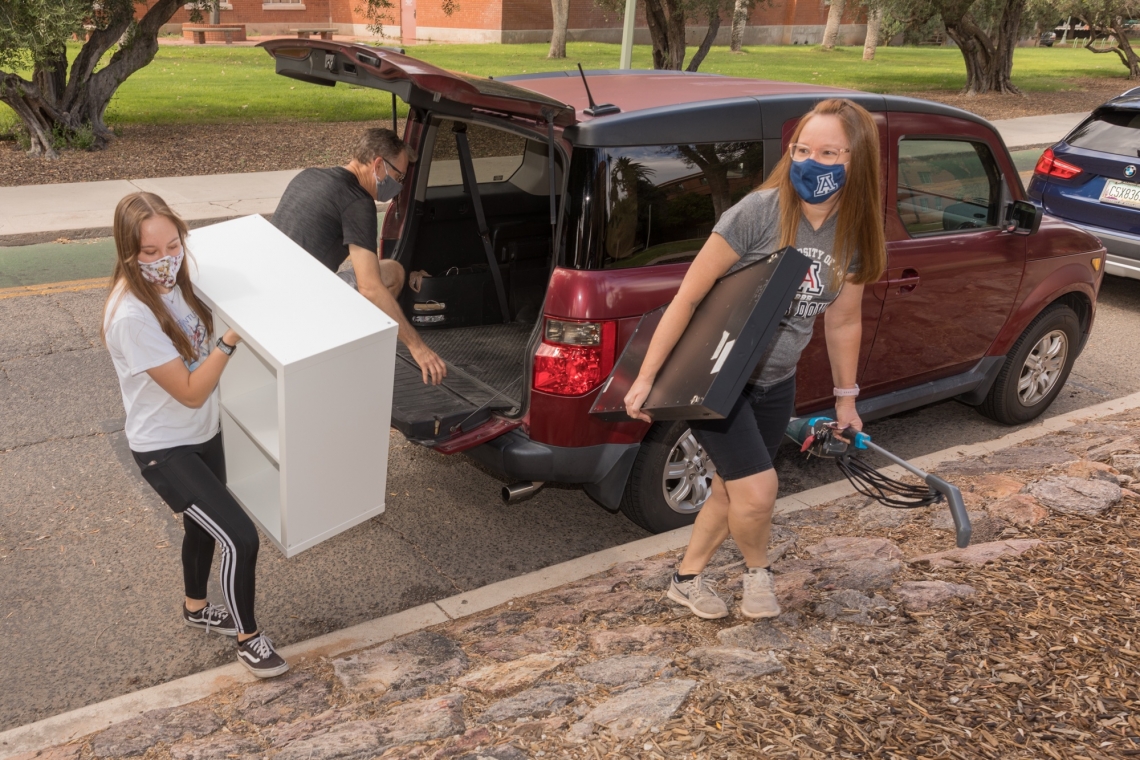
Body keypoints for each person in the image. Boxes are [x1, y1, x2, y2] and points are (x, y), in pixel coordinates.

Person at [624, 98, 887, 621]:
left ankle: (686, 580)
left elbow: (843, 320)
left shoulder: (854, 231)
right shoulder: (756, 214)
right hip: (719, 380)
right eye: (802, 150)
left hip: (776, 381)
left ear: (855, 161)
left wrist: (846, 400)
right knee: (760, 489)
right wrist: (647, 377)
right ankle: (758, 575)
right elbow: (688, 297)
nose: (812, 162)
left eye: (829, 152)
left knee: (731, 489)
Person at [102, 192, 288, 678]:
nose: (166, 259)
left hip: (204, 432)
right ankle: (249, 638)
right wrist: (230, 340)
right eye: (150, 252)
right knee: (241, 538)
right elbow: (189, 390)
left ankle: (194, 607)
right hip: (165, 448)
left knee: (200, 527)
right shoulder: (131, 317)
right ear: (127, 253)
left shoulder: (181, 283)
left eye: (172, 244)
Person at [271, 127, 447, 386]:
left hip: (272, 293)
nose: (398, 186)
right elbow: (370, 288)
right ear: (378, 165)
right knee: (393, 273)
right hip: (301, 307)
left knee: (382, 269)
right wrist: (417, 346)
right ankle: (359, 362)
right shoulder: (357, 201)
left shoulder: (308, 175)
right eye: (399, 176)